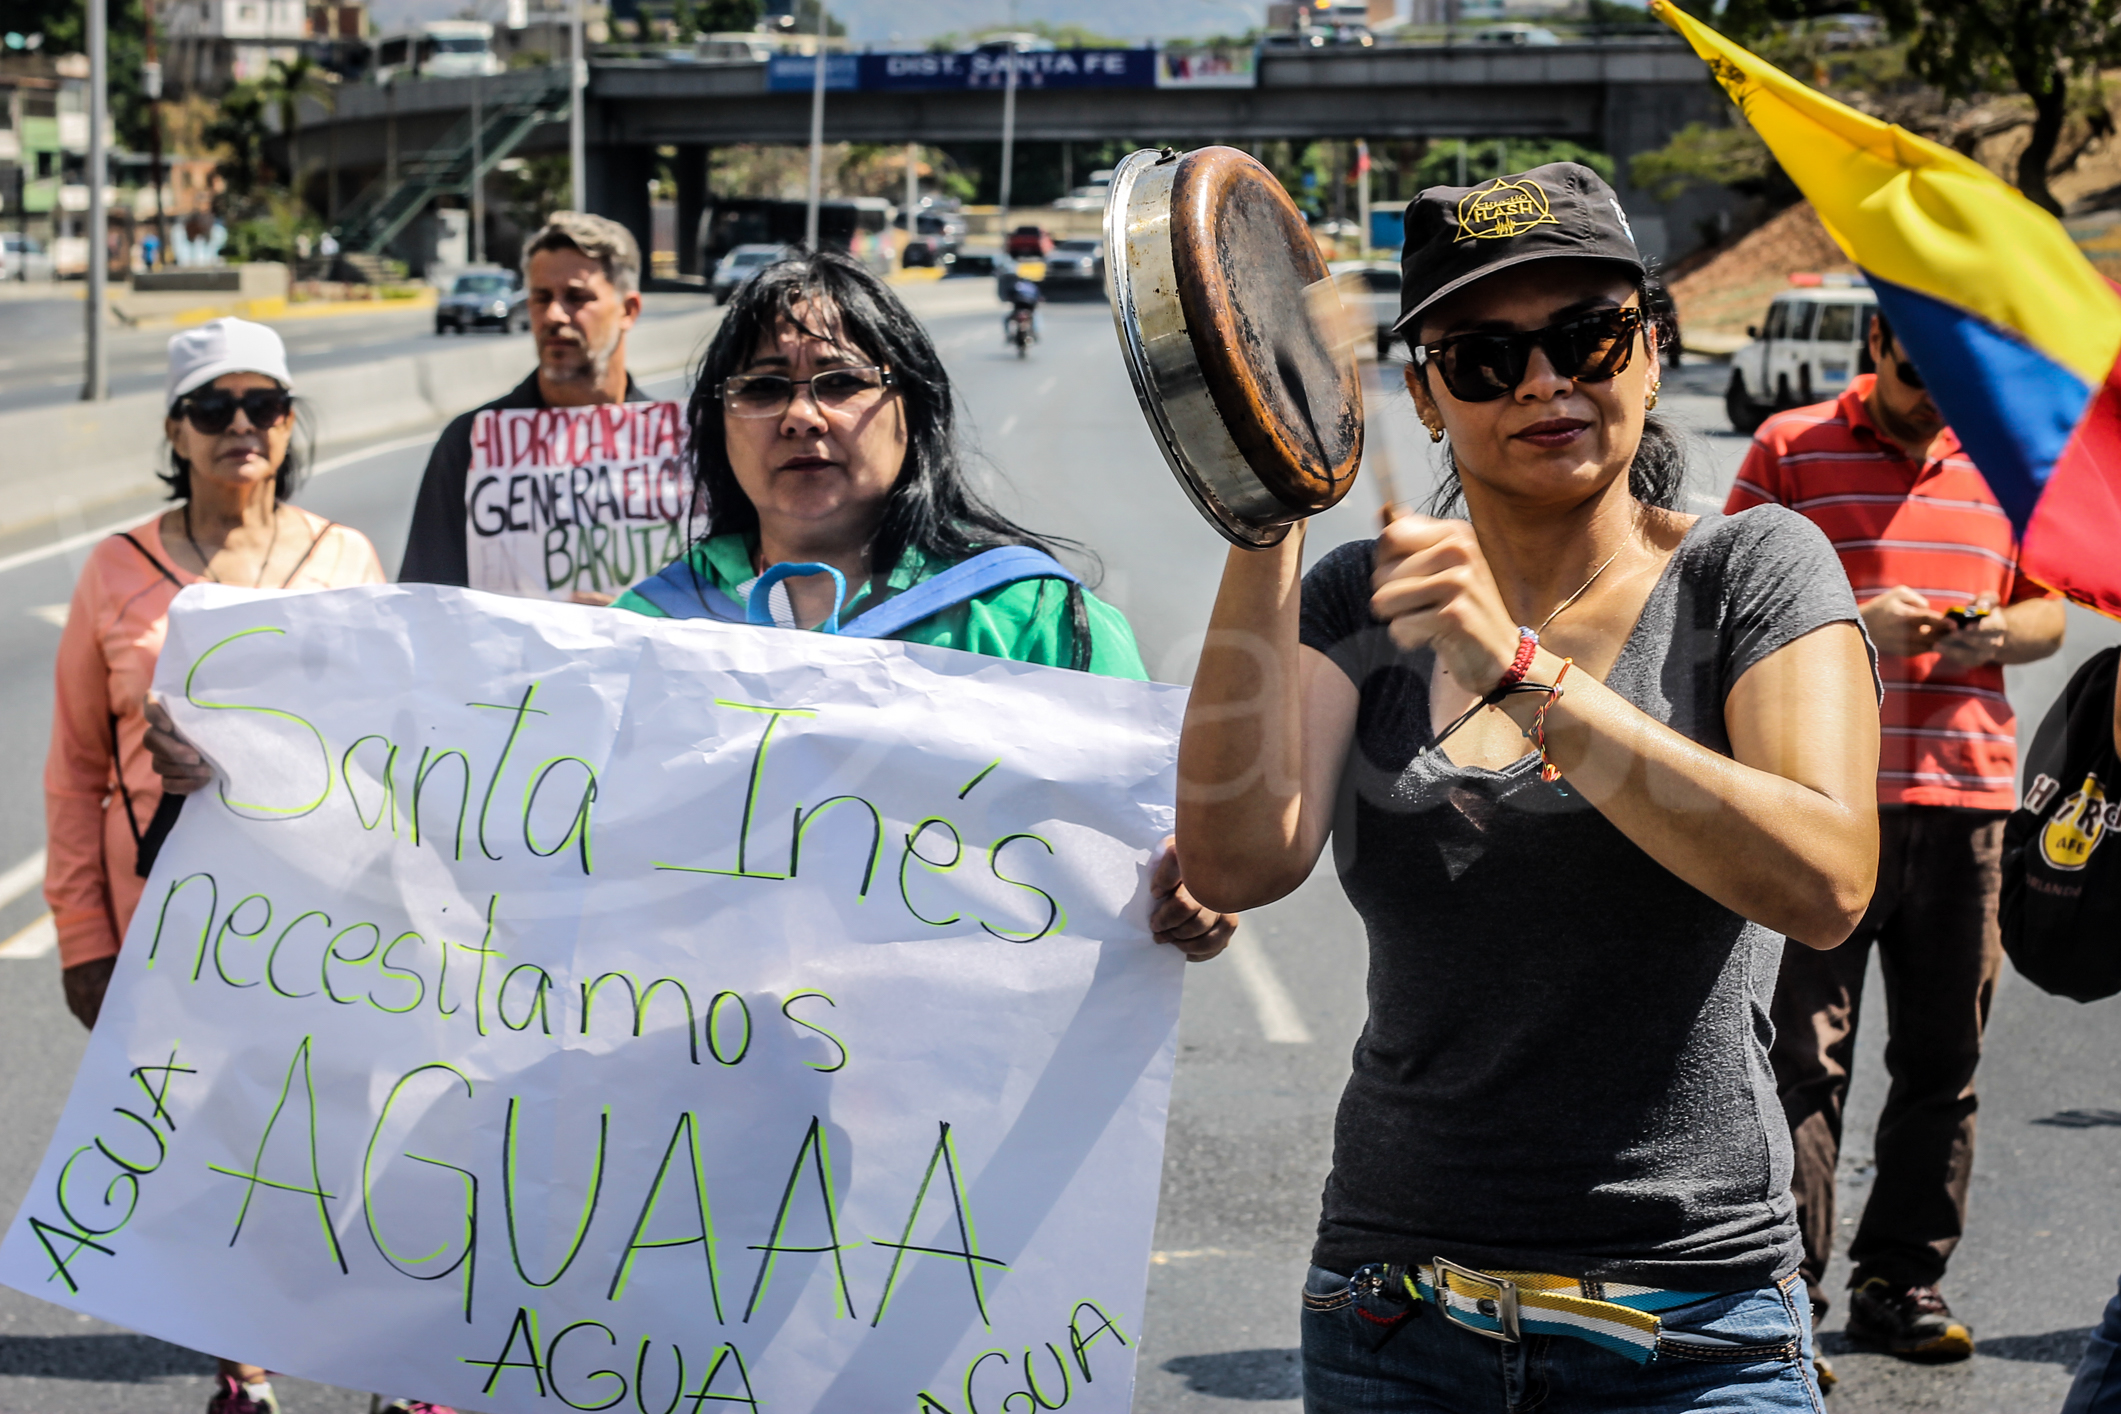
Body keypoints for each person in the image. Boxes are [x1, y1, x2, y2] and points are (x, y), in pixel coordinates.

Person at [1176, 163, 1881, 1410]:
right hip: (1394, 1316)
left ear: (1652, 351)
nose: (1546, 382)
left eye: (1587, 336)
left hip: (1692, 1325)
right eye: (1484, 359)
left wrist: (1519, 670)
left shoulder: (1754, 571)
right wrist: (1266, 501)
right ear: (1425, 398)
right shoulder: (1356, 599)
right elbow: (1239, 860)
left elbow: (1824, 882)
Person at [615, 248, 1229, 953]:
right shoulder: (644, 633)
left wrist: (1190, 890)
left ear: (914, 410)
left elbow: (1151, 849)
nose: (800, 416)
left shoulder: (1035, 621)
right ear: (717, 424)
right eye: (761, 388)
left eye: (840, 381)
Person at [42, 317, 388, 1414]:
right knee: (208, 1153)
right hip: (171, 936)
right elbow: (73, 774)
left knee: (351, 1149)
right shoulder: (115, 573)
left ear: (289, 425)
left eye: (265, 406)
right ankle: (243, 1369)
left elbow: (399, 751)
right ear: (175, 432)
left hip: (327, 923)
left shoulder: (345, 558)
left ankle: (396, 1360)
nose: (242, 428)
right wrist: (86, 937)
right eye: (213, 409)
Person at [1727, 308, 2066, 1368]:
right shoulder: (1790, 447)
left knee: (1944, 1060)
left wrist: (1999, 631)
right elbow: (1724, 593)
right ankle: (1788, 1293)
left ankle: (1900, 1278)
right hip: (1826, 799)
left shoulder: (2003, 462)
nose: (1934, 399)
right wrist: (1852, 620)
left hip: (1967, 802)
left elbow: (2048, 607)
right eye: (1919, 372)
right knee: (1801, 1064)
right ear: (1876, 345)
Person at [396, 211, 652, 600]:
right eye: (541, 297)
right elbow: (423, 605)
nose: (553, 315)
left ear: (628, 311)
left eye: (577, 297)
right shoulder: (469, 446)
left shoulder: (679, 446)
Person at [1001, 271, 1041, 347]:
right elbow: (1038, 298)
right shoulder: (1033, 286)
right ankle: (1035, 334)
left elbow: (1009, 295)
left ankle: (1008, 335)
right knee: (1034, 318)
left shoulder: (1017, 285)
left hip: (1019, 305)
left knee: (1006, 319)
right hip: (1029, 306)